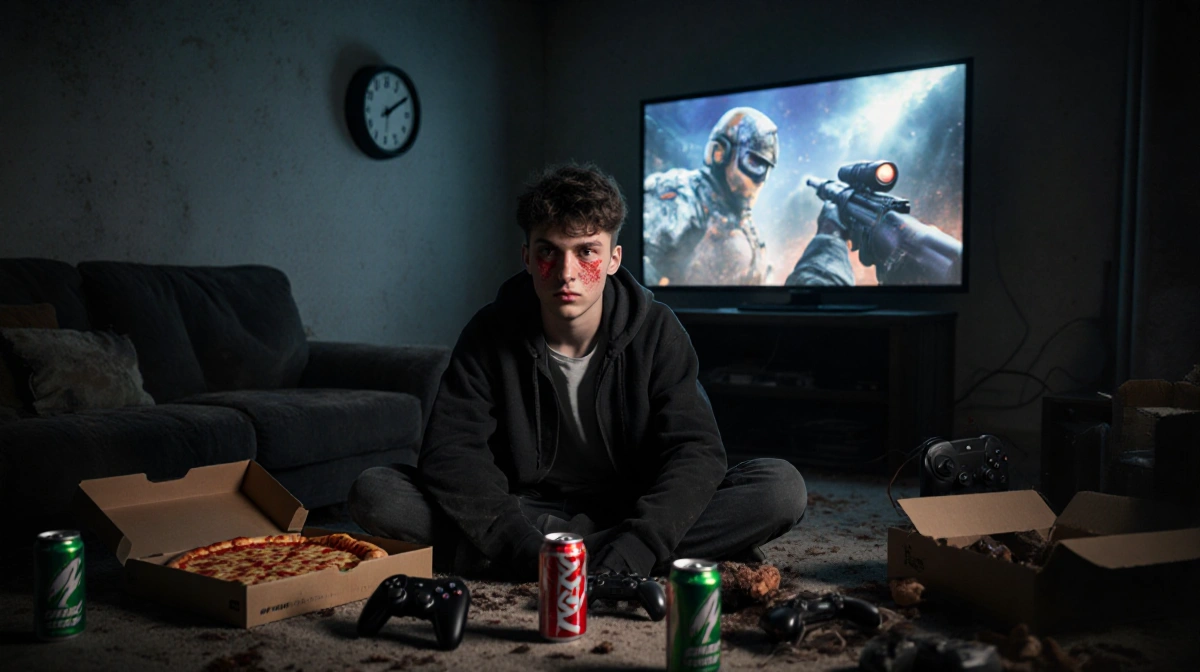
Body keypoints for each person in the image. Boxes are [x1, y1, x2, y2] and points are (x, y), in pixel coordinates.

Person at [349, 163, 807, 579]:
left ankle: (562, 557)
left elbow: (696, 452)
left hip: (633, 506)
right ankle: (606, 557)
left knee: (779, 488)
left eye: (587, 252)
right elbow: (452, 453)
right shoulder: (490, 331)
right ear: (527, 258)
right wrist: (521, 544)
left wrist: (638, 542)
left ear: (613, 259)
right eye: (549, 252)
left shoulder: (657, 330)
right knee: (379, 493)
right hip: (526, 510)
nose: (566, 272)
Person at [643, 107, 778, 286]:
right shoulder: (682, 195)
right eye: (753, 162)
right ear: (720, 153)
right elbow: (639, 273)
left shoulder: (748, 229)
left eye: (765, 168)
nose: (759, 179)